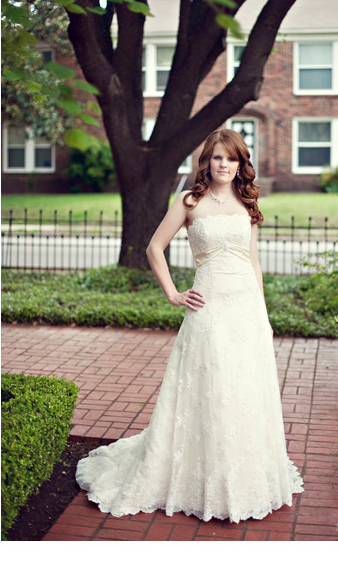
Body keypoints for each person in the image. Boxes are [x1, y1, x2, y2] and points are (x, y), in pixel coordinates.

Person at [76, 128, 303, 522]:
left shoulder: (247, 202)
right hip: (209, 307)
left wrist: (264, 316)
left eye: (232, 159)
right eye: (218, 158)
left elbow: (253, 263)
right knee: (211, 386)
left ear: (240, 163)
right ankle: (201, 477)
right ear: (207, 161)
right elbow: (153, 248)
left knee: (244, 390)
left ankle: (245, 475)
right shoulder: (190, 200)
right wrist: (173, 293)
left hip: (246, 309)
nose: (225, 165)